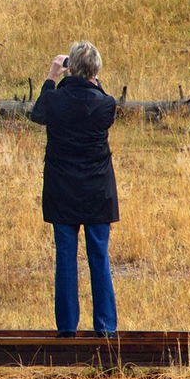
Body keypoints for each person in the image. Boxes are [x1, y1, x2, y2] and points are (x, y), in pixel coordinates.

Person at [29, 40, 119, 338]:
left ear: (71, 67)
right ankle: (105, 327)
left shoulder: (55, 100)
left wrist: (52, 76)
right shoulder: (105, 104)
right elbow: (104, 98)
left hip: (62, 187)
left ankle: (67, 327)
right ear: (95, 71)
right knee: (99, 256)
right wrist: (95, 81)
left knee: (65, 258)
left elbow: (38, 114)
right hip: (97, 189)